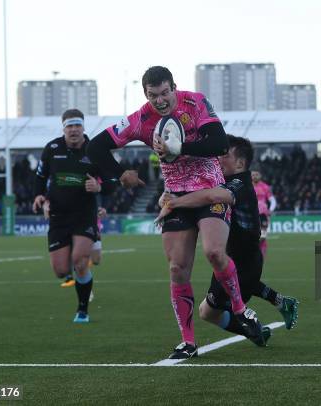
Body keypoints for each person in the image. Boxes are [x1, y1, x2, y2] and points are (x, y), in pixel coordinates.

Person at [87, 66, 262, 359]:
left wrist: (178, 147)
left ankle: (241, 310)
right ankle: (188, 342)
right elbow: (96, 147)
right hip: (174, 197)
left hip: (208, 189)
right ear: (146, 94)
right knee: (177, 268)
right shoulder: (140, 120)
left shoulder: (196, 103)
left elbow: (219, 143)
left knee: (215, 252)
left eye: (165, 92)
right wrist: (119, 174)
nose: (160, 100)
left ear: (174, 88)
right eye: (153, 95)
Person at [157, 135, 299, 345]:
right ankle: (277, 305)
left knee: (209, 311)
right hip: (235, 258)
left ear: (240, 163)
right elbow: (199, 192)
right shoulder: (223, 180)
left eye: (224, 154)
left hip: (243, 261)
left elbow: (210, 197)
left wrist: (175, 203)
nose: (217, 159)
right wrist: (168, 195)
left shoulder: (239, 184)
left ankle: (257, 328)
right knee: (210, 309)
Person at [33, 109, 116, 323]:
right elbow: (40, 177)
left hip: (84, 215)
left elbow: (112, 183)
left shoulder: (95, 150)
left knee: (80, 261)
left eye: (77, 125)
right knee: (61, 271)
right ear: (63, 128)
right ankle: (79, 275)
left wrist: (98, 186)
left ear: (83, 127)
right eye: (69, 126)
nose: (73, 130)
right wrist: (39, 196)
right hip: (58, 216)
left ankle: (82, 310)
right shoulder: (51, 149)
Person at [252, 171, 277, 258]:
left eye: (257, 174)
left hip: (263, 215)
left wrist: (270, 210)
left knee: (263, 236)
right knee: (253, 236)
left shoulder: (265, 187)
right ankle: (254, 254)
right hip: (252, 215)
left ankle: (261, 255)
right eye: (253, 175)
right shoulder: (248, 186)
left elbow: (272, 200)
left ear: (260, 176)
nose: (255, 176)